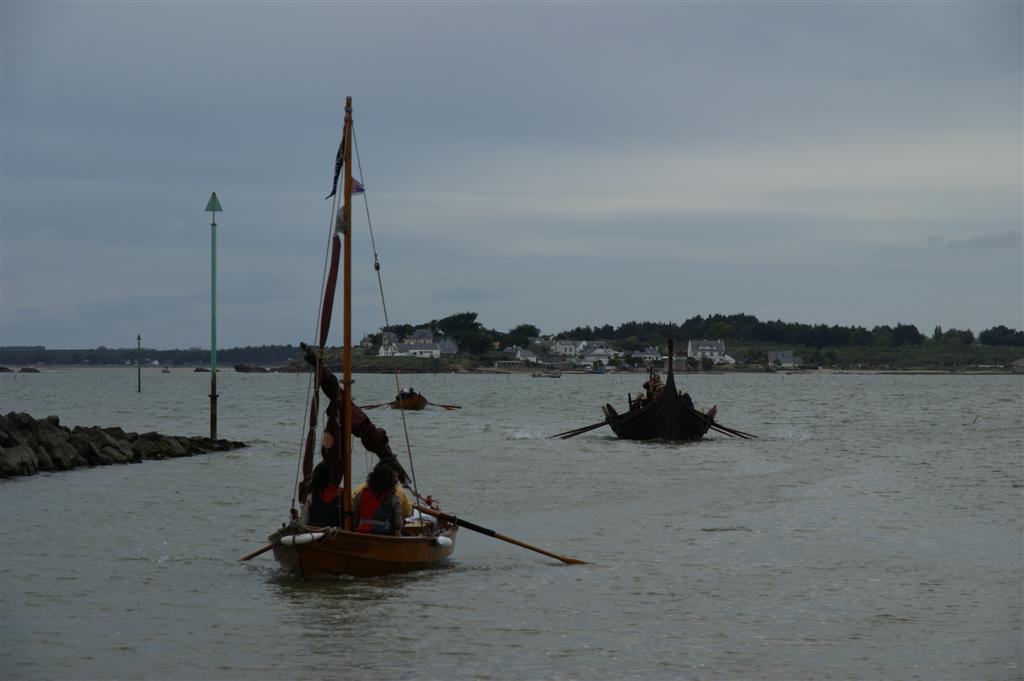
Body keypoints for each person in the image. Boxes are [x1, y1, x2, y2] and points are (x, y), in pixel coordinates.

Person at [352, 461, 405, 535]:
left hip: (362, 535)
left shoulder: (360, 495)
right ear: (390, 482)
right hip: (384, 537)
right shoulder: (394, 499)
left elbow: (355, 518)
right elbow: (398, 524)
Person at [306, 461, 343, 527]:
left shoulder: (311, 494)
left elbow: (305, 518)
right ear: (329, 476)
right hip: (336, 533)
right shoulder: (342, 493)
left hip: (314, 531)